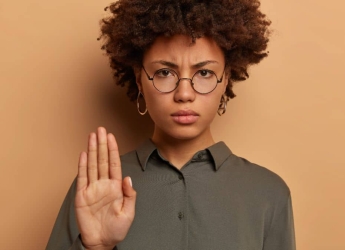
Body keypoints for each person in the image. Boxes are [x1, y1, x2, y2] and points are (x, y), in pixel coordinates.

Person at [46, 0, 296, 249]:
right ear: (139, 80)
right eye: (165, 73)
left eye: (204, 73)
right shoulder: (95, 188)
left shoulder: (268, 193)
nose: (184, 93)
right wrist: (95, 246)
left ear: (225, 79)